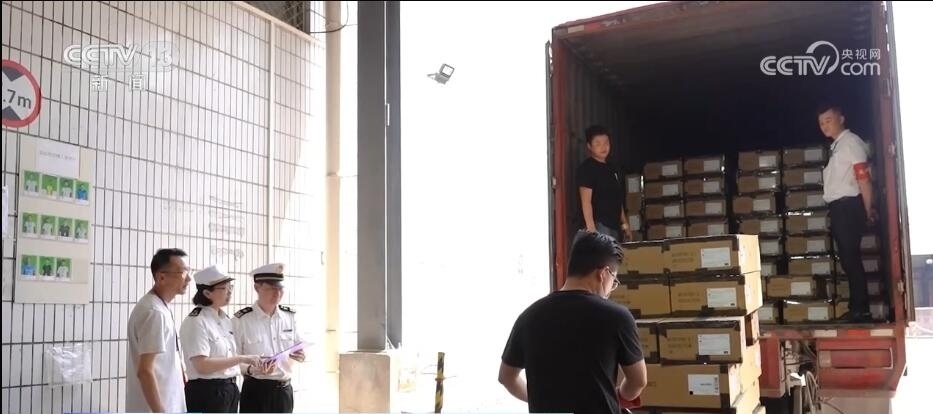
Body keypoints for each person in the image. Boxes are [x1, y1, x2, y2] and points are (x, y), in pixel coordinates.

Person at [498, 232, 647, 414]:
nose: (611, 289)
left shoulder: (529, 316)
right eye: (614, 281)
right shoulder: (617, 316)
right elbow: (638, 381)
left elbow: (506, 377)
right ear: (604, 274)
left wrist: (539, 398)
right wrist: (616, 396)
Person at [179, 265, 271, 413]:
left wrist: (253, 368)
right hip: (207, 392)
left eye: (230, 287)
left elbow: (227, 362)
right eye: (224, 288)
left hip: (229, 390)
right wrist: (242, 358)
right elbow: (202, 366)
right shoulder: (196, 321)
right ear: (207, 293)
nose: (229, 291)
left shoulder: (225, 319)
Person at [818, 103, 876, 323]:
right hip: (840, 207)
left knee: (851, 258)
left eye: (828, 120)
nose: (825, 126)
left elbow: (863, 177)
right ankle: (857, 307)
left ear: (841, 119)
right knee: (847, 259)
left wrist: (868, 208)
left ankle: (861, 310)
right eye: (821, 123)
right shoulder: (837, 146)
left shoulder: (850, 143)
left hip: (849, 206)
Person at [233, 263, 307, 413]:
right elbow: (231, 360)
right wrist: (252, 369)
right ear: (257, 288)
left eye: (280, 288)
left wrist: (301, 355)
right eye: (272, 288)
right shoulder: (241, 320)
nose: (277, 293)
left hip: (284, 391)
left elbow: (299, 347)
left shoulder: (290, 317)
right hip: (255, 391)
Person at [125, 248, 191, 413]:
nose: (189, 278)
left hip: (168, 404)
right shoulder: (154, 312)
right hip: (156, 409)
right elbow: (145, 370)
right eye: (183, 272)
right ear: (161, 277)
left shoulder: (160, 307)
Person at [577, 125, 633, 241]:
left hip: (614, 226)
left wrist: (625, 225)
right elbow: (586, 201)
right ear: (589, 146)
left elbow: (617, 199)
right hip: (600, 226)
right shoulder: (587, 169)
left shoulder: (611, 167)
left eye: (606, 142)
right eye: (598, 144)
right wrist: (591, 229)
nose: (603, 147)